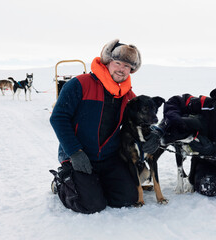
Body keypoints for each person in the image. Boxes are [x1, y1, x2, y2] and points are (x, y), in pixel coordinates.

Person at [50, 39, 159, 213]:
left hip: (109, 158)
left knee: (127, 198)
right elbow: (58, 118)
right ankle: (62, 181)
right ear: (108, 61)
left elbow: (143, 119)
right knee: (92, 205)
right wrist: (74, 152)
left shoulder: (128, 96)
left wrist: (154, 134)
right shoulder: (80, 84)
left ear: (132, 70)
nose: (121, 69)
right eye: (118, 63)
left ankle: (95, 184)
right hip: (79, 156)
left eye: (127, 66)